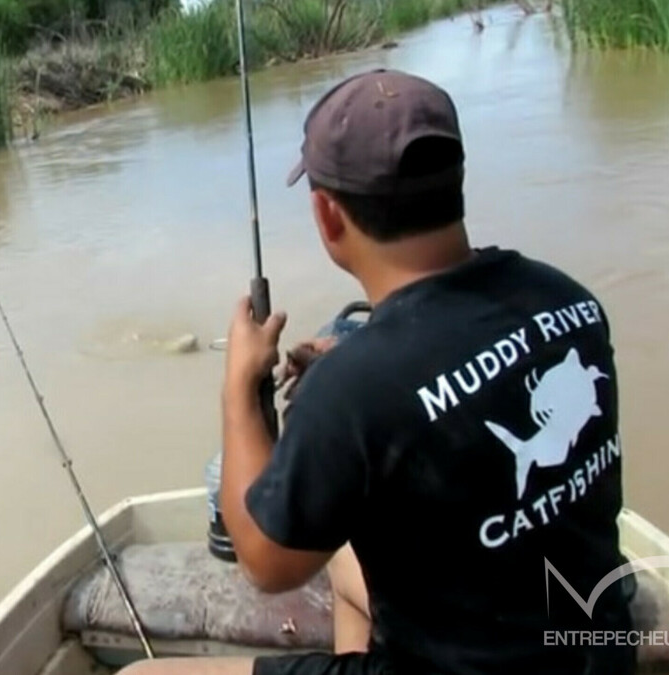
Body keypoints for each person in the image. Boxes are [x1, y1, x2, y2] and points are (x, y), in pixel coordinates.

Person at [121, 69, 635, 675]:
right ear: (458, 181)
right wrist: (361, 364)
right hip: (589, 654)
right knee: (344, 567)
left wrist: (238, 390)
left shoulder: (352, 393)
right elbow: (458, 378)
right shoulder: (565, 300)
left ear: (327, 216)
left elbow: (266, 563)